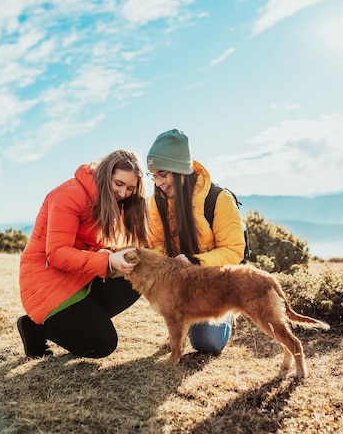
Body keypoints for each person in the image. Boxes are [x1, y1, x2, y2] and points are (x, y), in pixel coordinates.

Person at [17, 149, 148, 359]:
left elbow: (92, 243)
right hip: (46, 284)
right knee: (101, 344)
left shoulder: (107, 199)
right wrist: (107, 260)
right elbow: (57, 254)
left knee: (137, 275)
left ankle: (83, 322)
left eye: (130, 188)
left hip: (78, 277)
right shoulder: (69, 195)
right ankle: (36, 328)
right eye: (119, 184)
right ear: (106, 175)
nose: (123, 193)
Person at [146, 128, 245, 355]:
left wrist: (194, 262)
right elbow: (156, 243)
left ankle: (225, 314)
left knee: (207, 344)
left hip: (216, 280)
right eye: (154, 175)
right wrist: (169, 265)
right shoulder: (157, 201)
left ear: (181, 171)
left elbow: (233, 250)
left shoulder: (219, 198)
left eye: (163, 174)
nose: (158, 182)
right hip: (181, 280)